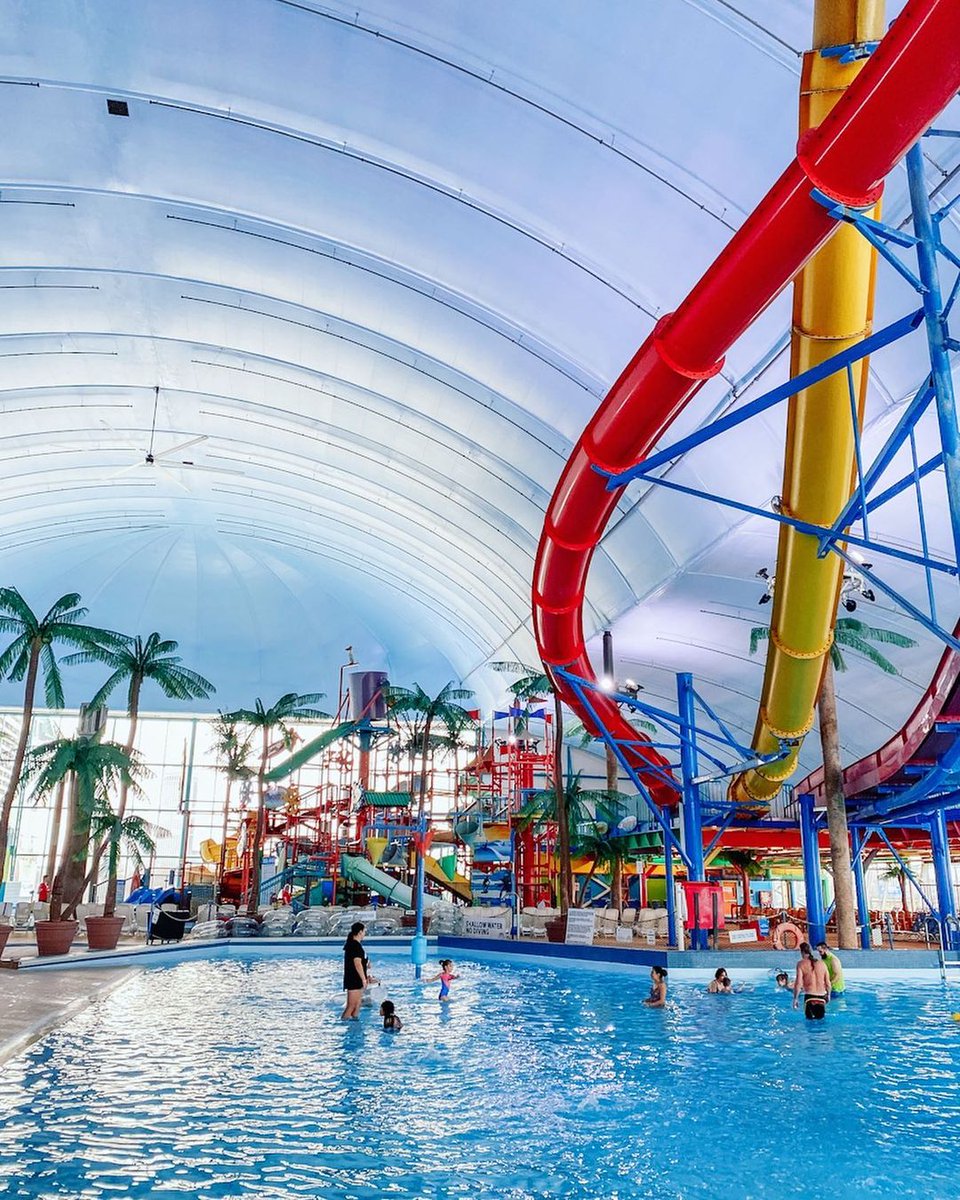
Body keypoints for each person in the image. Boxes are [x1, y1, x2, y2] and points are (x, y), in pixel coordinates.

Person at [341, 921, 379, 1020]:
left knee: (357, 1004)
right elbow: (357, 963)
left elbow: (362, 961)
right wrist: (363, 979)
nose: (364, 934)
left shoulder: (356, 945)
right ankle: (344, 1023)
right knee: (351, 1006)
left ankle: (355, 1023)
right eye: (364, 931)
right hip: (354, 979)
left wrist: (367, 964)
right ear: (360, 932)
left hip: (357, 979)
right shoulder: (354, 945)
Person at [792, 942, 831, 1020]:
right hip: (822, 997)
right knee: (821, 1022)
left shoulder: (801, 964)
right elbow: (828, 983)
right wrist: (829, 995)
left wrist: (795, 999)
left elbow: (798, 984)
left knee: (810, 1023)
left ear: (802, 952)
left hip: (809, 997)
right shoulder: (822, 964)